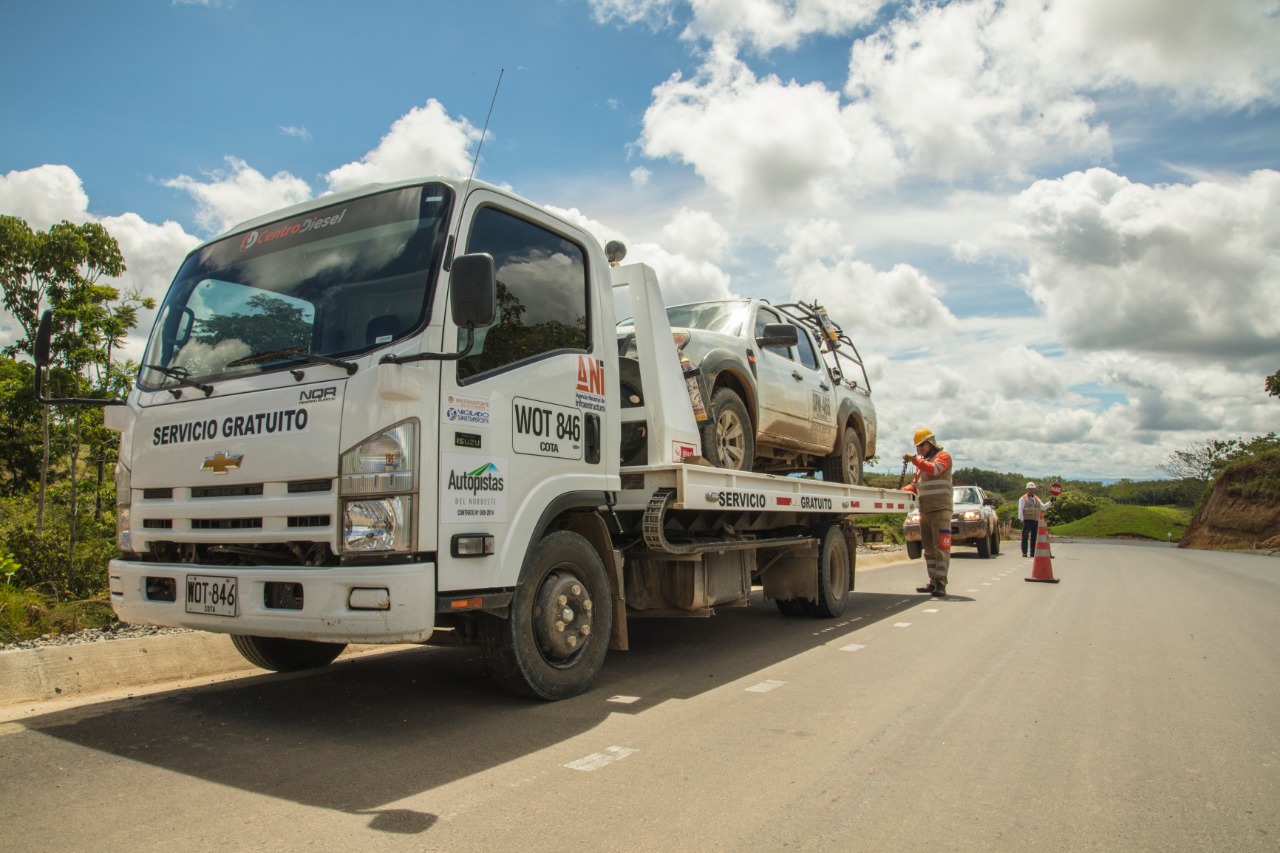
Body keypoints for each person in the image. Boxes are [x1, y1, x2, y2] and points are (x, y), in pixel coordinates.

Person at [902, 428, 953, 597]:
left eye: (922, 445)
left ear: (931, 443)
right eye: (917, 446)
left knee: (941, 547)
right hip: (925, 511)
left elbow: (935, 469)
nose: (920, 449)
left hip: (940, 510)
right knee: (929, 548)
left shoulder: (943, 457)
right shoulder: (920, 465)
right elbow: (916, 487)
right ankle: (932, 581)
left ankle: (941, 582)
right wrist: (900, 492)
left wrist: (915, 460)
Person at [1019, 482, 1053, 557]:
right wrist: (1021, 520)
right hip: (1027, 520)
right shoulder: (1023, 498)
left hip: (1035, 520)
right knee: (1025, 537)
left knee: (1034, 538)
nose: (1032, 490)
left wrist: (1051, 501)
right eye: (1030, 489)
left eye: (1033, 489)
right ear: (1027, 489)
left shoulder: (1037, 498)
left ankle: (1033, 553)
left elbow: (1043, 507)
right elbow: (1020, 510)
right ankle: (1024, 552)